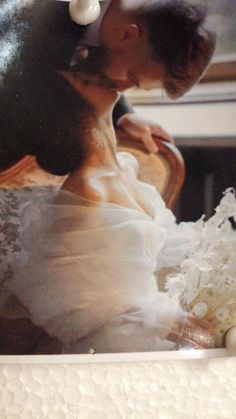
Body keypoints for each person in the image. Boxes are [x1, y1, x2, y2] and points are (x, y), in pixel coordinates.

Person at [1, 72, 214, 353]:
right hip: (117, 352)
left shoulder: (124, 166)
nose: (108, 76)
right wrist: (192, 330)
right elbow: (102, 312)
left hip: (155, 330)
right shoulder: (88, 190)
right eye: (88, 77)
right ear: (70, 96)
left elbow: (158, 261)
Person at [0, 0, 216, 172]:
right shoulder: (33, 23)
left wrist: (123, 115)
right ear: (128, 34)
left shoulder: (110, 28)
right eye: (131, 77)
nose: (121, 89)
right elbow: (60, 157)